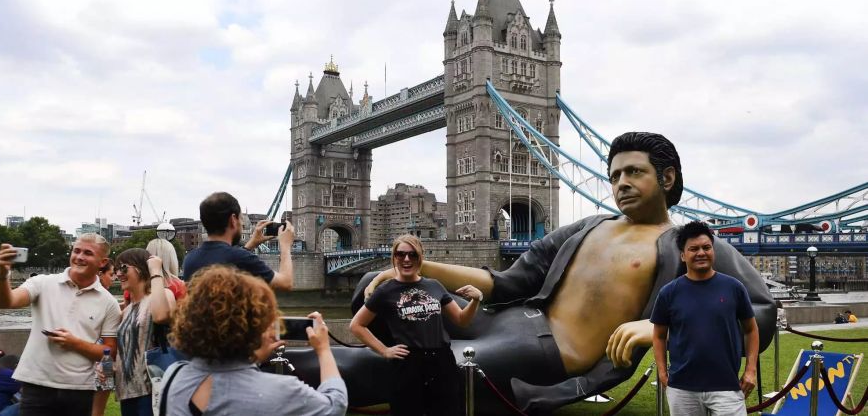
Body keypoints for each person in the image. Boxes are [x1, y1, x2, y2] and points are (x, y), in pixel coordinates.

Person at [290, 132, 775, 415]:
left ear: (666, 179)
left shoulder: (690, 244)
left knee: (434, 369)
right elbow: (510, 283)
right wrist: (419, 266)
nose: (621, 184)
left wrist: (657, 327)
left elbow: (759, 308)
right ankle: (292, 359)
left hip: (548, 349)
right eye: (614, 176)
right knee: (369, 288)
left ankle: (282, 373)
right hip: (510, 317)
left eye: (634, 173)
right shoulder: (589, 227)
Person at [164, 266, 347, 416]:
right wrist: (323, 350)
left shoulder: (174, 375)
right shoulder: (281, 390)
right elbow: (335, 405)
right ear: (256, 326)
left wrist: (254, 358)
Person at [350, 235, 482, 416]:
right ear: (394, 257)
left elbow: (461, 320)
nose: (406, 259)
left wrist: (475, 300)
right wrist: (384, 350)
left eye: (412, 255)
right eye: (400, 254)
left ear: (420, 257)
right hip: (408, 363)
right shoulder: (385, 290)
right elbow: (357, 325)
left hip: (441, 361)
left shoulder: (434, 286)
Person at [0, 234, 122, 416]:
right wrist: (3, 273)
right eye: (76, 251)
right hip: (37, 385)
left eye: (87, 253)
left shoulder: (109, 303)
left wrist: (74, 343)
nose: (79, 257)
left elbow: (109, 352)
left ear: (103, 262)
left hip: (80, 390)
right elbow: (6, 302)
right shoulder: (42, 283)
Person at [651, 221, 759, 416]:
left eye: (706, 247)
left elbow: (751, 329)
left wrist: (751, 370)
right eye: (693, 249)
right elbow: (659, 335)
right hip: (682, 387)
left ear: (713, 251)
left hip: (727, 385)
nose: (701, 253)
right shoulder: (668, 293)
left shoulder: (734, 288)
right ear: (683, 255)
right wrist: (661, 371)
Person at [181, 192, 294, 291]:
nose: (241, 224)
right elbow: (285, 283)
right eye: (241, 219)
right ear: (233, 220)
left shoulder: (190, 259)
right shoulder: (241, 258)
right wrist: (285, 246)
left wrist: (251, 244)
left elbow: (225, 258)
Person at [113, 248, 176, 416]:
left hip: (152, 388)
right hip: (127, 390)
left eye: (124, 268)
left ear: (142, 268)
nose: (118, 274)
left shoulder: (164, 295)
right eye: (116, 269)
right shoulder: (126, 310)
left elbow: (161, 315)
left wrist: (155, 271)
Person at [93, 261, 117, 416]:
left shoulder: (98, 297)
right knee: (97, 408)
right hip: (102, 357)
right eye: (111, 274)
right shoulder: (105, 299)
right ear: (100, 274)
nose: (114, 278)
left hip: (96, 357)